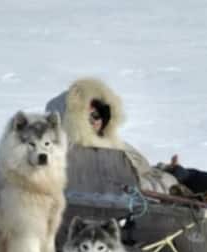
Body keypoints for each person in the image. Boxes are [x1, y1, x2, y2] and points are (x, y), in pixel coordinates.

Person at [46, 77, 177, 193]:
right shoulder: (70, 155)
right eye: (88, 114)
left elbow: (142, 170)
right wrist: (171, 183)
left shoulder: (114, 145)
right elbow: (128, 189)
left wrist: (167, 169)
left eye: (99, 115)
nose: (95, 120)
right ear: (71, 117)